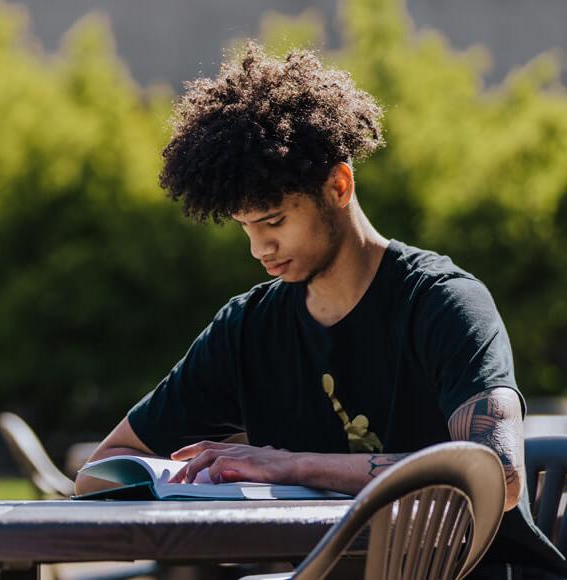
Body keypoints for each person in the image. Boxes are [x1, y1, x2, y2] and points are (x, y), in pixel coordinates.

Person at [75, 43, 566, 579]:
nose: (259, 249)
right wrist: (191, 479)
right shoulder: (246, 330)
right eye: (246, 228)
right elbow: (104, 467)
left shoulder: (443, 303)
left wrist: (292, 466)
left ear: (339, 184)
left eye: (275, 220)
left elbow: (499, 473)